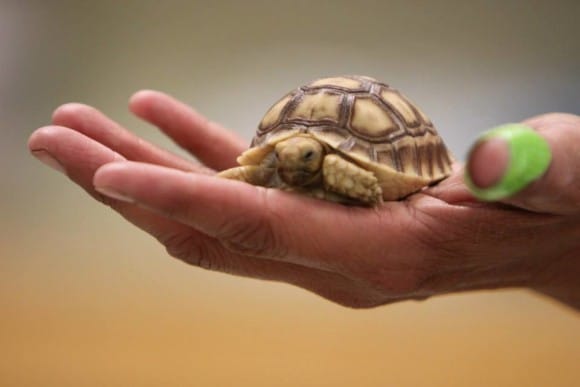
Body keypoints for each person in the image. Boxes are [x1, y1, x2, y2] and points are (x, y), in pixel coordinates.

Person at [28, 90, 580, 310]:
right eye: (288, 158)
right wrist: (236, 179)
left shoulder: (337, 163)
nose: (294, 165)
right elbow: (256, 167)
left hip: (382, 153)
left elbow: (361, 178)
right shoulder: (281, 157)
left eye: (307, 160)